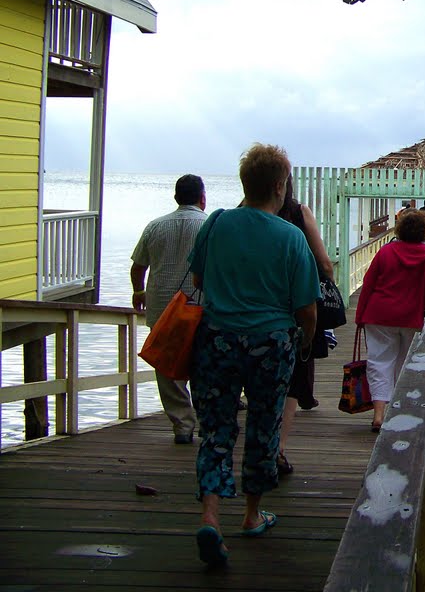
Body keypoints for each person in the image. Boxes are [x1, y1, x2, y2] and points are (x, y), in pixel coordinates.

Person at [189, 144, 320, 566]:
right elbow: (307, 307)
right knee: (263, 427)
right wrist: (303, 343)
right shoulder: (291, 237)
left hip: (216, 341)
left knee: (216, 430)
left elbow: (197, 277)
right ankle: (250, 514)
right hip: (270, 343)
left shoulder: (216, 224)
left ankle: (211, 516)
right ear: (281, 186)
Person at [355, 208, 425, 433]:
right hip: (413, 317)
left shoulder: (386, 252)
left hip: (379, 315)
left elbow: (368, 284)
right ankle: (398, 410)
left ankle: (379, 414)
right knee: (405, 363)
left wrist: (360, 315)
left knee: (379, 362)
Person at [129, 174, 207, 445]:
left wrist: (139, 291)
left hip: (163, 309)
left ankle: (182, 425)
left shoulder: (155, 226)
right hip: (201, 308)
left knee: (167, 367)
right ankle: (208, 420)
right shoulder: (210, 226)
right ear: (203, 198)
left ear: (175, 198)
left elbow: (138, 266)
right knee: (203, 362)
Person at [276, 175, 334, 476]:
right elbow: (324, 264)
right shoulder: (299, 214)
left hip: (237, 322)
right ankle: (278, 449)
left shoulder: (233, 215)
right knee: (290, 385)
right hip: (292, 313)